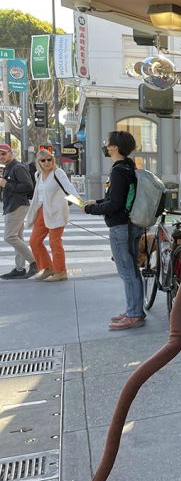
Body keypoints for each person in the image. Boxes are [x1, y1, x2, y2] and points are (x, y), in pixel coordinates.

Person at [83, 131, 145, 331]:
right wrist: (98, 202)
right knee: (132, 271)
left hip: (121, 227)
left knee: (128, 272)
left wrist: (91, 209)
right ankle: (134, 311)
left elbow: (116, 204)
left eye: (106, 143)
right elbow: (119, 198)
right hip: (130, 225)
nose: (104, 145)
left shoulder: (119, 170)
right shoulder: (128, 166)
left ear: (114, 148)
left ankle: (134, 314)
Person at [25, 148, 81, 282]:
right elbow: (38, 194)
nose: (46, 162)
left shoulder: (58, 173)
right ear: (38, 162)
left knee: (54, 242)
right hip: (41, 211)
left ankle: (61, 271)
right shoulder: (38, 175)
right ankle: (47, 267)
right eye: (43, 160)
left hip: (56, 212)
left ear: (53, 160)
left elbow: (69, 189)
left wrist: (81, 204)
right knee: (34, 241)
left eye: (49, 159)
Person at [0, 143, 37, 279]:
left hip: (17, 206)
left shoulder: (18, 167)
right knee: (18, 237)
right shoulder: (9, 168)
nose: (1, 156)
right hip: (12, 205)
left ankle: (34, 261)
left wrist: (6, 184)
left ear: (11, 153)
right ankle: (19, 268)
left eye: (3, 153)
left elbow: (28, 186)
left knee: (9, 236)